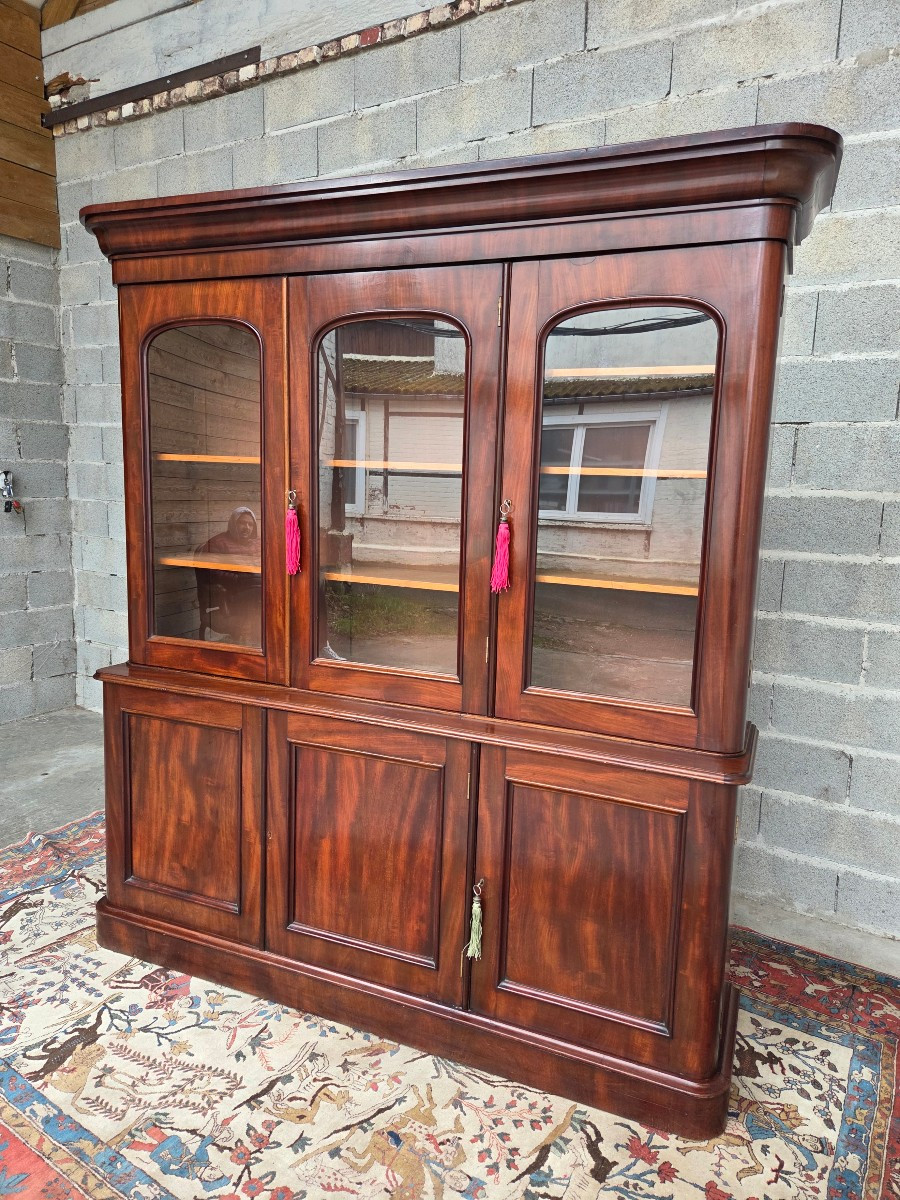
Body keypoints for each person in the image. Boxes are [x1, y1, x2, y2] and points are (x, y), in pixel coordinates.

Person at [197, 506, 262, 644]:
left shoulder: (258, 543)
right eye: (242, 523)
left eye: (250, 524)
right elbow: (211, 572)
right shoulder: (217, 543)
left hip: (254, 590)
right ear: (233, 524)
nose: (246, 527)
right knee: (259, 583)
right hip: (231, 595)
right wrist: (239, 579)